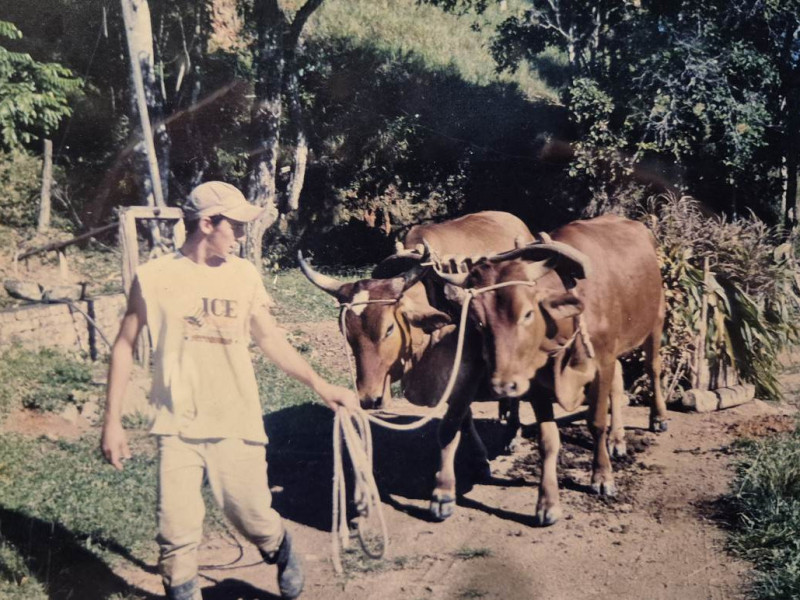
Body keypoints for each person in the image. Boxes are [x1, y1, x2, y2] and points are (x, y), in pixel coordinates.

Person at [101, 181, 357, 600]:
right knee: (175, 534)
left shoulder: (243, 275)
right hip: (176, 424)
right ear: (207, 223)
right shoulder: (153, 277)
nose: (241, 235)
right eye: (235, 226)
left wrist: (321, 385)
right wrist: (112, 421)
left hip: (235, 418)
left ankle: (278, 544)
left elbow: (269, 338)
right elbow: (125, 346)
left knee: (250, 514)